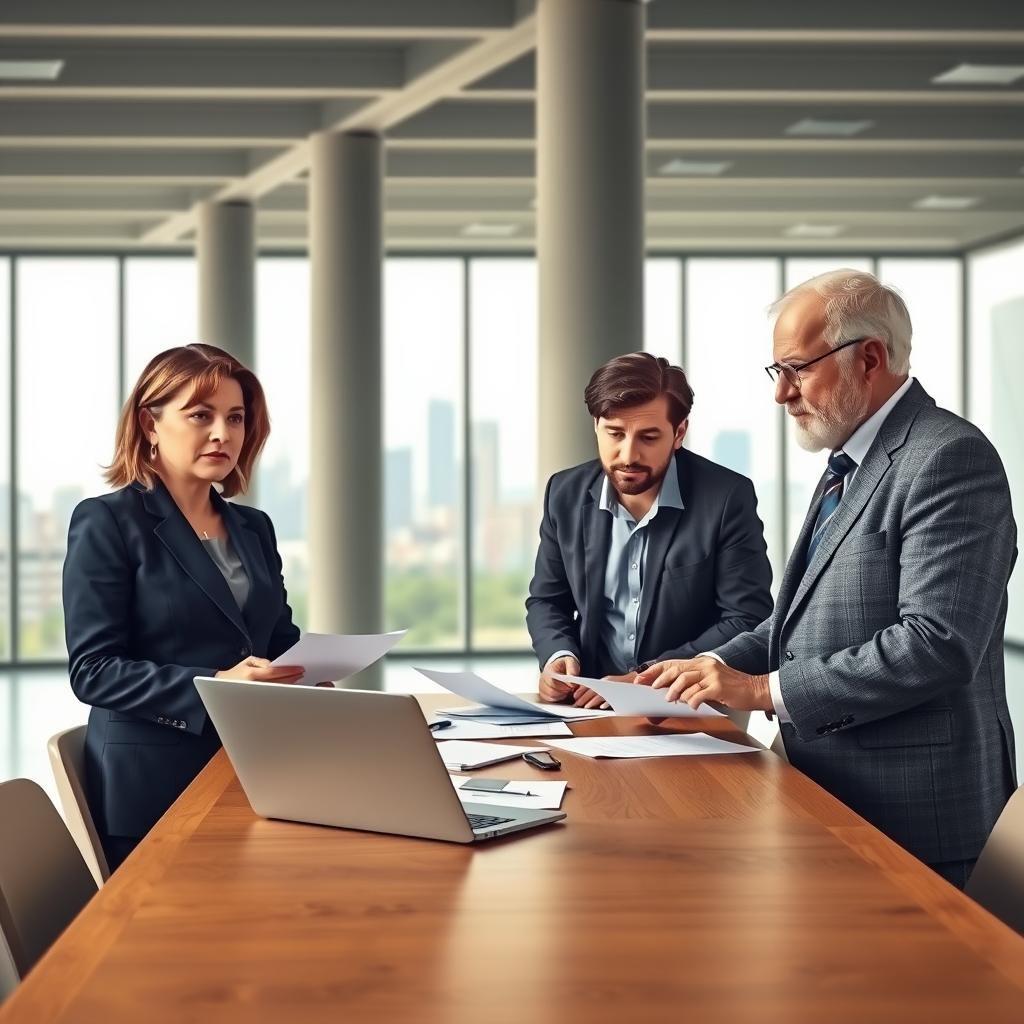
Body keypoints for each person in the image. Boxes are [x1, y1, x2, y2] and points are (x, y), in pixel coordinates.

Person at [637, 270, 1018, 889]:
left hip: (915, 819)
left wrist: (761, 692)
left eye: (797, 368)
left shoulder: (948, 457)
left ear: (868, 359)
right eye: (776, 372)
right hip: (832, 800)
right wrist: (686, 671)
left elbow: (937, 643)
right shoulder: (849, 459)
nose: (781, 393)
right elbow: (795, 626)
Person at [63, 344, 305, 871]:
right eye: (201, 415)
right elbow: (93, 671)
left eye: (235, 418)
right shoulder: (107, 522)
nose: (223, 433)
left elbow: (276, 638)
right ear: (150, 424)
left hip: (256, 768)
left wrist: (310, 673)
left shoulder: (253, 527)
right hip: (153, 789)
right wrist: (216, 684)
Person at [526, 352, 773, 709]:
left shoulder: (726, 497)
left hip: (688, 703)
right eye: (615, 433)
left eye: (649, 437)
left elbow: (746, 618)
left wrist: (646, 678)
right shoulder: (565, 493)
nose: (628, 455)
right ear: (596, 425)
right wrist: (557, 656)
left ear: (679, 433)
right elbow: (548, 600)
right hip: (590, 703)